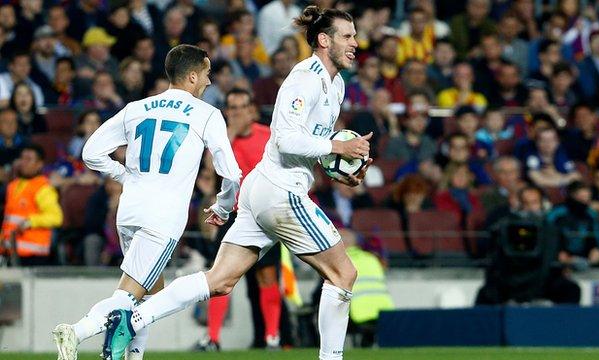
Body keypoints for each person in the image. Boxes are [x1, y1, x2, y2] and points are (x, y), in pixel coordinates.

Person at [101, 6, 371, 360]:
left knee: (219, 280)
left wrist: (337, 165)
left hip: (262, 189)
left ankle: (132, 318)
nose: (355, 43)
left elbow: (307, 140)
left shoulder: (335, 83)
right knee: (344, 273)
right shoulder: (306, 78)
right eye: (347, 37)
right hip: (281, 190)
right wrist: (337, 146)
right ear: (324, 40)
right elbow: (286, 138)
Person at [52, 44, 242, 360]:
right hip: (162, 216)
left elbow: (90, 153)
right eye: (207, 75)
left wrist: (126, 176)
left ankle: (134, 357)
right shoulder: (207, 114)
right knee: (129, 295)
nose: (209, 82)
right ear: (193, 76)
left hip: (129, 210)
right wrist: (223, 207)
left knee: (149, 290)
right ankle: (77, 331)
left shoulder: (137, 108)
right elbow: (232, 174)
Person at [197, 88, 283, 350]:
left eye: (241, 107)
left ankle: (272, 337)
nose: (236, 112)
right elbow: (210, 170)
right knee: (221, 278)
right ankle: (213, 338)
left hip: (264, 215)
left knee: (267, 277)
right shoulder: (222, 138)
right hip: (233, 215)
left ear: (251, 109)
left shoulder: (268, 135)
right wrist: (230, 134)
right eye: (231, 108)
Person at [0, 144, 63, 266]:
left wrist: (30, 222)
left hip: (33, 255)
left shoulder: (43, 188)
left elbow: (56, 217)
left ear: (39, 164)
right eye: (22, 158)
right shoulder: (12, 186)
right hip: (10, 252)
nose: (24, 162)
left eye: (29, 159)